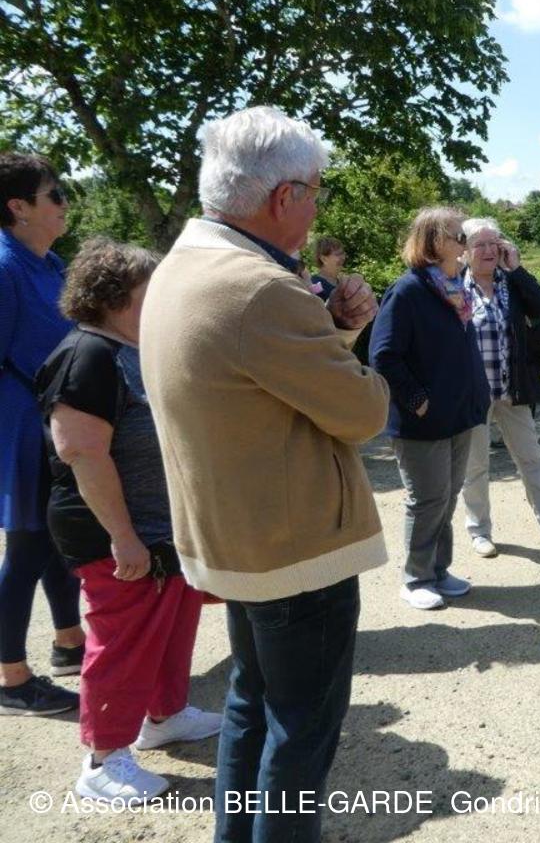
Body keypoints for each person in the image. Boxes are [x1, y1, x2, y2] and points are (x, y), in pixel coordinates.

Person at [139, 106, 387, 843]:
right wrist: (347, 342)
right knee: (300, 735)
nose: (316, 210)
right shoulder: (261, 288)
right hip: (294, 551)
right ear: (285, 197)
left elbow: (260, 385)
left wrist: (334, 330)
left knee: (252, 706)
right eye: (315, 192)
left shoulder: (182, 265)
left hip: (238, 543)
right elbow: (363, 411)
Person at [36, 238, 221, 801]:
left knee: (170, 628)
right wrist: (123, 537)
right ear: (116, 298)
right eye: (152, 289)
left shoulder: (131, 348)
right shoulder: (86, 355)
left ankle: (165, 715)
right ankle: (103, 760)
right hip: (117, 537)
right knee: (123, 644)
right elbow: (81, 452)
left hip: (160, 531)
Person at [370, 208, 489, 609]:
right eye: (459, 237)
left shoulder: (454, 287)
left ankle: (438, 570)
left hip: (458, 413)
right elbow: (384, 355)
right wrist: (418, 401)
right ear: (435, 242)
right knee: (427, 499)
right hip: (422, 422)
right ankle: (416, 578)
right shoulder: (408, 291)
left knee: (447, 497)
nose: (465, 243)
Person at [0, 152, 84, 717]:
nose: (64, 203)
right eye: (54, 194)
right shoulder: (4, 268)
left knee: (60, 536)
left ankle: (69, 643)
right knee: (29, 545)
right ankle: (11, 679)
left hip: (55, 422)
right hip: (23, 428)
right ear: (19, 207)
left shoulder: (50, 263)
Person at [459, 217, 540, 557]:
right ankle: (479, 531)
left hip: (512, 388)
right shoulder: (454, 285)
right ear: (464, 251)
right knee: (475, 465)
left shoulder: (510, 282)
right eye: (480, 245)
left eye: (493, 243)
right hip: (473, 392)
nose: (488, 251)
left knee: (531, 458)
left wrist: (517, 269)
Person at [311, 235, 346, 302]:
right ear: (323, 259)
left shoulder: (342, 283)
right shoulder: (315, 284)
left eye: (342, 253)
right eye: (338, 254)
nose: (343, 258)